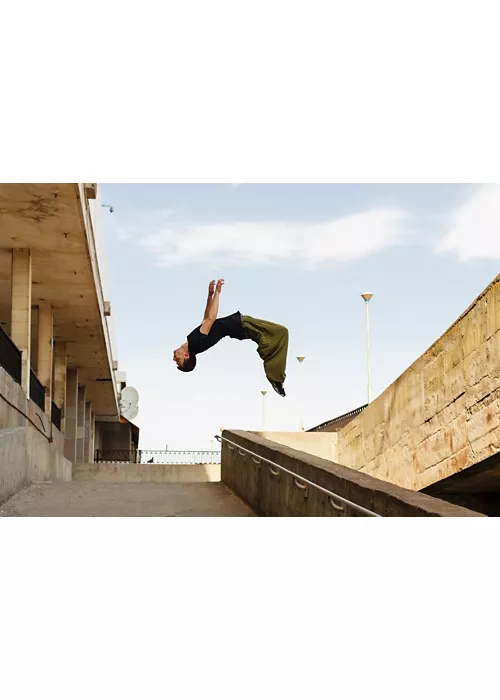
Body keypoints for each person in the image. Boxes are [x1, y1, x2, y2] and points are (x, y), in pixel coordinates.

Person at [173, 279, 289, 397]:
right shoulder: (195, 344)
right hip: (243, 325)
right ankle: (276, 379)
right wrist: (217, 292)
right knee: (281, 332)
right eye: (178, 361)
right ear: (186, 356)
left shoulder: (192, 341)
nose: (174, 359)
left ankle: (276, 378)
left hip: (242, 326)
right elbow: (211, 318)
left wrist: (210, 295)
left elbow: (206, 318)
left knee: (277, 336)